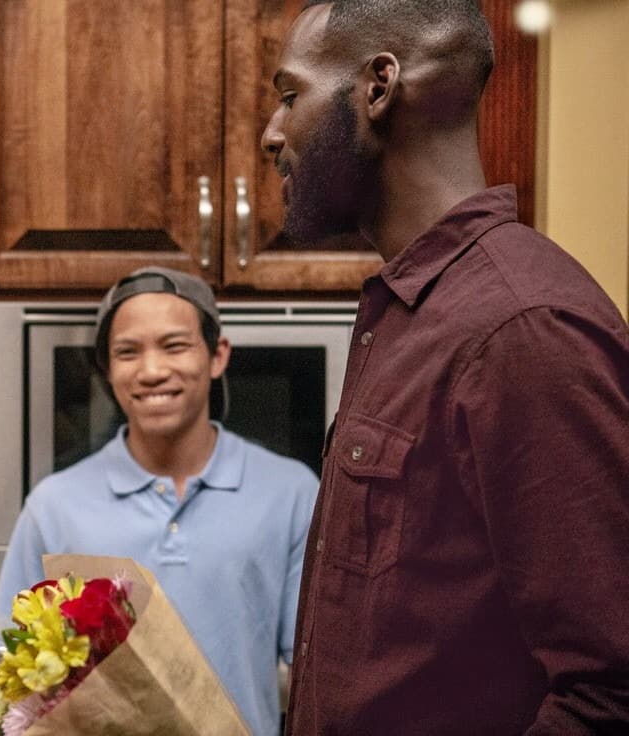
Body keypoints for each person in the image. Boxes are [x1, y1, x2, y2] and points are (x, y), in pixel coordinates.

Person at [261, 2, 629, 733]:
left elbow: (611, 691)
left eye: (290, 95)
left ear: (378, 86)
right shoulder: (412, 312)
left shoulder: (522, 329)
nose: (273, 133)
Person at [0, 266, 319, 736]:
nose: (151, 371)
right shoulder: (54, 505)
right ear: (108, 368)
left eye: (174, 345)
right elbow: (5, 678)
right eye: (128, 352)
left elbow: (319, 674)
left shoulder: (291, 495)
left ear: (217, 355)